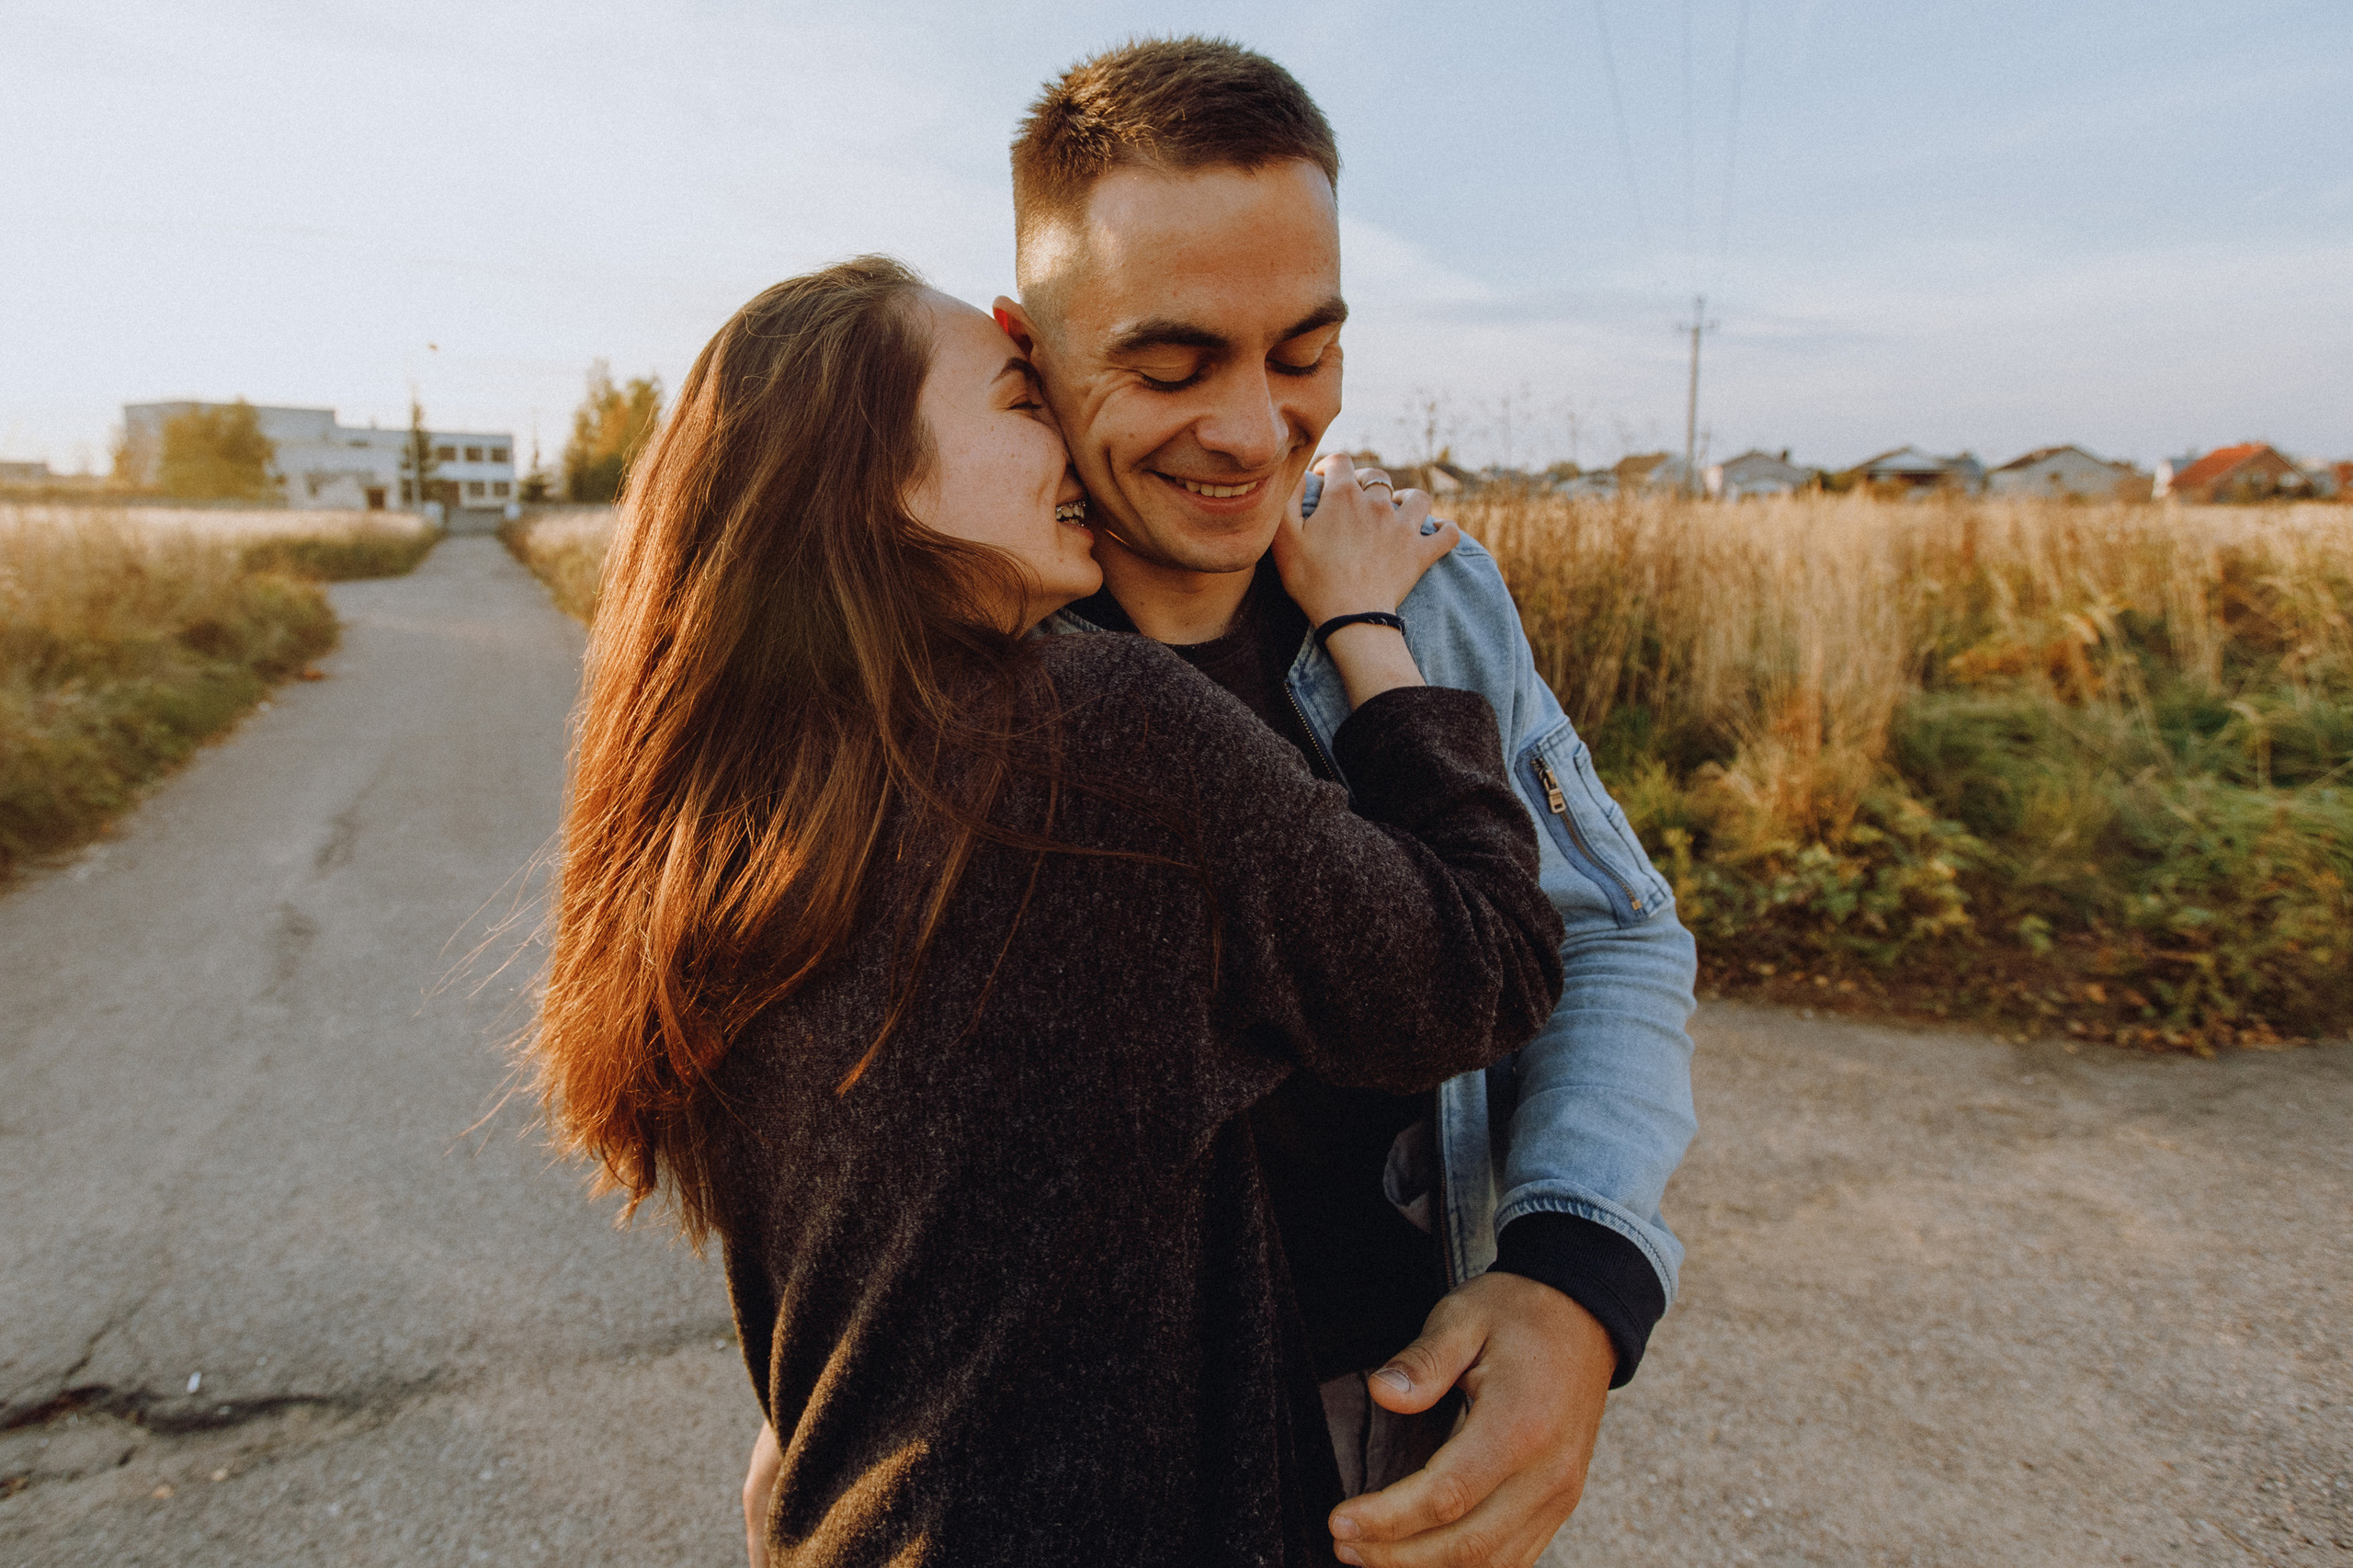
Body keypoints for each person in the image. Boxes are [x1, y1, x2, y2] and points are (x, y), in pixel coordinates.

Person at [530, 256, 1570, 1565]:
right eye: (1025, 403)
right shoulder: (1096, 743)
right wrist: (1366, 625)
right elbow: (1483, 966)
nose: (1071, 444)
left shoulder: (734, 821)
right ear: (881, 478)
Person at [988, 40, 1701, 1568]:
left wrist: (1576, 1276)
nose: (1253, 432)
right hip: (1038, 1451)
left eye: (1304, 352)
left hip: (1383, 1420)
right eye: (1171, 366)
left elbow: (1618, 938)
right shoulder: (942, 646)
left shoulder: (1434, 601)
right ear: (1024, 351)